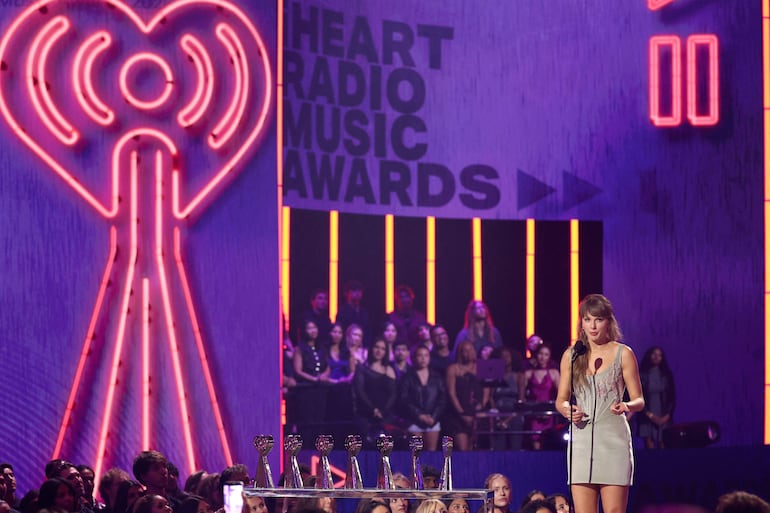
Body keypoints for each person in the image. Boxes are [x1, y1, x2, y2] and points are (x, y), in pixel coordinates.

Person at [555, 294, 644, 513]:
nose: (592, 326)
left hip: (614, 441)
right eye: (587, 319)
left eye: (598, 319)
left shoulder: (623, 354)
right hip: (581, 442)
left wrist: (627, 406)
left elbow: (639, 400)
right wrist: (569, 411)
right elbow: (560, 400)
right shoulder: (572, 355)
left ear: (609, 321)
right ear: (581, 323)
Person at [398, 345, 446, 451]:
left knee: (431, 455)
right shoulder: (407, 377)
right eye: (420, 355)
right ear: (413, 358)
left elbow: (442, 399)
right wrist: (419, 415)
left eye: (426, 355)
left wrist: (433, 417)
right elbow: (404, 399)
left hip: (433, 420)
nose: (423, 358)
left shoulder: (437, 377)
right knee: (415, 455)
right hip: (413, 420)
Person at [444, 341, 490, 451]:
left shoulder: (481, 367)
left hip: (477, 412)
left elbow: (487, 389)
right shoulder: (453, 369)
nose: (469, 353)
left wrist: (481, 406)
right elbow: (451, 393)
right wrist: (462, 413)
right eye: (465, 350)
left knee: (476, 448)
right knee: (463, 450)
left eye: (471, 349)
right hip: (459, 413)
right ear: (460, 353)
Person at [352, 337, 397, 441]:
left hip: (385, 416)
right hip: (365, 415)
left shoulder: (389, 370)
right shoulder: (361, 369)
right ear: (371, 348)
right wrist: (373, 409)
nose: (379, 351)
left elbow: (393, 394)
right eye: (376, 347)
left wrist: (383, 411)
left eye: (382, 348)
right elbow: (360, 391)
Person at [522, 344, 560, 450]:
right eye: (540, 354)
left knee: (549, 443)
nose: (542, 357)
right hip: (534, 414)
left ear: (549, 357)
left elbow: (561, 395)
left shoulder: (554, 373)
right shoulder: (528, 373)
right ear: (536, 355)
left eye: (546, 354)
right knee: (535, 445)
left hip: (549, 413)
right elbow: (522, 395)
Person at [637, 346, 675, 449]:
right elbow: (637, 396)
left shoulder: (666, 375)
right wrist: (650, 415)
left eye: (659, 355)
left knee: (663, 443)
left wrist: (667, 416)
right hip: (647, 415)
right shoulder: (641, 375)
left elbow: (672, 396)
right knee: (650, 446)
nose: (656, 357)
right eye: (654, 354)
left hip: (663, 414)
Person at [336, 280, 371, 345]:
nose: (357, 293)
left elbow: (367, 331)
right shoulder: (342, 311)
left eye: (359, 291)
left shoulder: (364, 312)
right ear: (346, 293)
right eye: (354, 290)